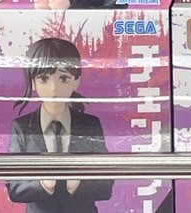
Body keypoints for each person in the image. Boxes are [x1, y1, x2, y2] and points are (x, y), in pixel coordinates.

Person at [6, 38, 112, 211]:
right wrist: (44, 184)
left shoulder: (90, 124)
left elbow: (105, 186)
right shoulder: (21, 127)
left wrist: (76, 183)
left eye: (63, 78)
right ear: (32, 82)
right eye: (43, 79)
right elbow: (14, 188)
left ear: (76, 80)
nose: (54, 88)